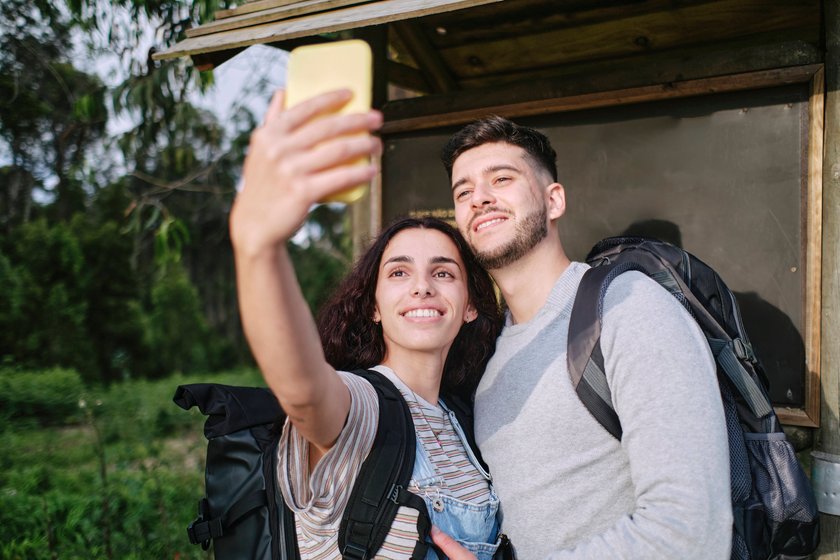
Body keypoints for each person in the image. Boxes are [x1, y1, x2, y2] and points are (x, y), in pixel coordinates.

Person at [431, 116, 733, 559]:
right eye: (463, 191)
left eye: (501, 178)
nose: (480, 198)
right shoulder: (489, 352)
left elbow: (689, 531)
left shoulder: (627, 308)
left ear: (554, 200)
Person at [229, 89, 505, 558]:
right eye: (398, 272)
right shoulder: (361, 406)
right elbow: (301, 390)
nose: (422, 287)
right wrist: (258, 247)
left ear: (470, 304)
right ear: (374, 305)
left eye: (443, 272)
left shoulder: (464, 421)